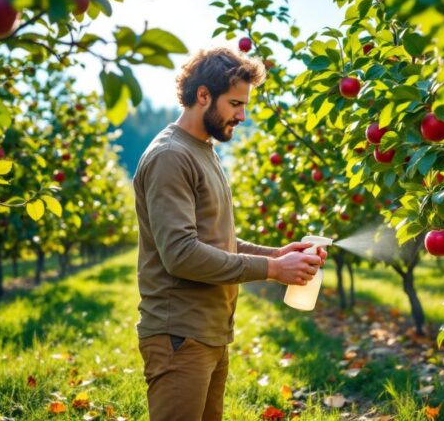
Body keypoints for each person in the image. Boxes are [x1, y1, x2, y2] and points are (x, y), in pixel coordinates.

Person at [132, 47, 327, 421]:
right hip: (179, 335)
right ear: (203, 95)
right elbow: (182, 254)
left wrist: (276, 254)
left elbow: (215, 241)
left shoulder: (203, 150)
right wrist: (272, 271)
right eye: (235, 103)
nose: (242, 115)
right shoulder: (171, 156)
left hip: (209, 332)